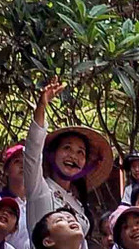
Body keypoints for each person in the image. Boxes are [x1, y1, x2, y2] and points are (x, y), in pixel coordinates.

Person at [23, 79, 114, 236]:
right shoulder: (40, 189)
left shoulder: (78, 203)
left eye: (81, 152)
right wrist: (41, 106)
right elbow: (32, 151)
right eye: (67, 148)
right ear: (52, 154)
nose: (73, 156)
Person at [0, 147, 33, 249]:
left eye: (26, 161)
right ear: (7, 170)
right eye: (17, 161)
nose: (22, 165)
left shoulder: (36, 201)